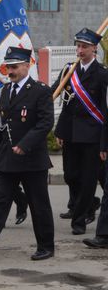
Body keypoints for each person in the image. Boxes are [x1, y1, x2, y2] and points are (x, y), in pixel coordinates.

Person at [0, 47, 55, 261]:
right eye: (7, 67)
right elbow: (0, 126)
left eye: (14, 67)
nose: (10, 71)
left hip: (32, 158)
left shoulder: (40, 91)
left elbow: (45, 123)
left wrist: (25, 144)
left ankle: (46, 246)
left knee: (38, 203)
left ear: (27, 65)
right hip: (7, 157)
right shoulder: (4, 91)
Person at [50, 28, 108, 235]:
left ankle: (80, 219)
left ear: (94, 49)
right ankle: (90, 203)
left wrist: (104, 142)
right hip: (71, 133)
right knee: (71, 175)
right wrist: (60, 130)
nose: (79, 50)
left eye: (84, 47)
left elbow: (105, 110)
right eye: (78, 46)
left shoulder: (102, 75)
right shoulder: (69, 71)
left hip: (92, 135)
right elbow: (60, 98)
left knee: (88, 178)